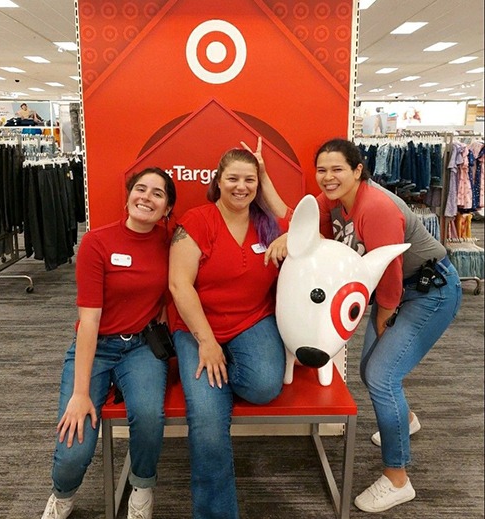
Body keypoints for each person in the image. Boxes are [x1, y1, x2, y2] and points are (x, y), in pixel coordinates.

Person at [263, 138, 462, 513]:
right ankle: (406, 419)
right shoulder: (332, 202)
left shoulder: (376, 208)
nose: (327, 177)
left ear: (358, 170)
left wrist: (383, 323)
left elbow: (388, 277)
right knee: (374, 370)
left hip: (428, 291)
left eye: (337, 169)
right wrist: (284, 222)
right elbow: (301, 222)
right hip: (399, 291)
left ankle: (397, 478)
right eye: (321, 170)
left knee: (380, 375)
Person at [41, 167, 176, 519]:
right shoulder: (97, 242)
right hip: (96, 345)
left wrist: (161, 306)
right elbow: (89, 322)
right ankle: (62, 494)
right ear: (129, 195)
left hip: (143, 348)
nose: (146, 197)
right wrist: (81, 393)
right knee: (74, 448)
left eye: (157, 193)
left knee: (148, 416)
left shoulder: (171, 241)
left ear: (167, 208)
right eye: (140, 189)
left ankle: (142, 487)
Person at [168, 147, 290, 519]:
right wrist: (207, 342)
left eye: (249, 180)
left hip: (253, 320)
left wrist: (287, 230)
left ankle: (226, 371)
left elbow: (306, 226)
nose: (241, 187)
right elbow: (178, 285)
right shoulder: (198, 220)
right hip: (196, 326)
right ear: (217, 181)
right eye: (233, 178)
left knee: (265, 386)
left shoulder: (268, 223)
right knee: (207, 421)